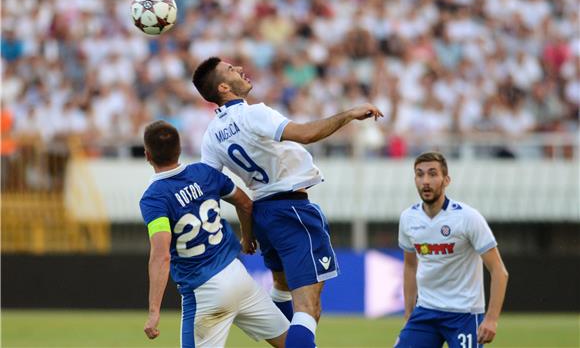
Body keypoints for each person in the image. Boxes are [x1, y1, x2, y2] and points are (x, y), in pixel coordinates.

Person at [192, 56, 383, 348]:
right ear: (223, 88)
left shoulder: (212, 135)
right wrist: (349, 115)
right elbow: (306, 134)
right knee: (309, 308)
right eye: (231, 69)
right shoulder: (254, 114)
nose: (241, 69)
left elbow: (213, 185)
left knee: (281, 289)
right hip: (292, 209)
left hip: (263, 213)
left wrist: (246, 229)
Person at [139, 120, 289, 348]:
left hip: (205, 291)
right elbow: (246, 203)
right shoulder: (204, 172)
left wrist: (153, 311)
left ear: (147, 155)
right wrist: (247, 238)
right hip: (239, 275)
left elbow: (162, 255)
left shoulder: (154, 198)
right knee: (293, 343)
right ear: (179, 149)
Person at [396, 152, 509, 348]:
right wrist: (408, 314)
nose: (425, 181)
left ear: (446, 180)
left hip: (464, 315)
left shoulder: (468, 218)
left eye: (432, 174)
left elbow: (499, 271)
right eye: (420, 174)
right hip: (426, 312)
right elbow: (410, 267)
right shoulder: (408, 218)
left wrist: (491, 319)